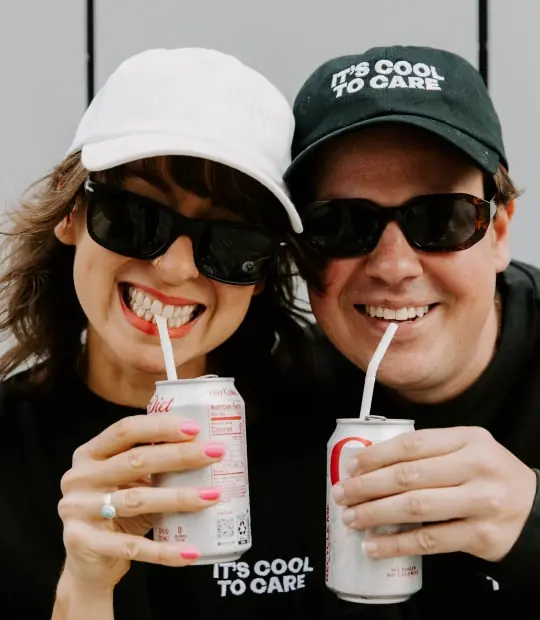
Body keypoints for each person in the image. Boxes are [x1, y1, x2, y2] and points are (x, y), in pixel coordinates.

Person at [0, 48, 356, 620]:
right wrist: (84, 590)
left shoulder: (329, 435)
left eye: (233, 242)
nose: (175, 268)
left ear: (263, 274)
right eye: (136, 217)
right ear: (70, 214)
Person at [284, 45, 540, 617]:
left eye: (441, 218)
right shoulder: (269, 397)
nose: (394, 266)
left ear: (497, 232)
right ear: (302, 253)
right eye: (342, 224)